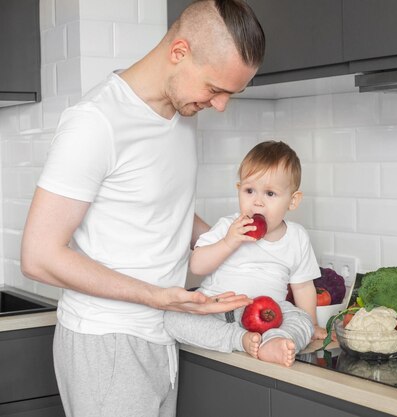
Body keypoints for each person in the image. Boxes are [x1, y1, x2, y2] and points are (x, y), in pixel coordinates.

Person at [19, 1, 265, 416]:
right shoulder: (95, 122)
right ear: (179, 52)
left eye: (230, 94)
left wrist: (229, 241)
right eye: (215, 89)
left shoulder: (184, 113)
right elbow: (38, 257)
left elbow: (159, 209)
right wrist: (156, 297)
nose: (220, 105)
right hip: (107, 342)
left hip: (161, 331)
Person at [164, 140, 325, 367]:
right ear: (239, 190)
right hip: (219, 307)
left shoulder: (297, 237)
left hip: (271, 313)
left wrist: (313, 324)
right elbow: (197, 266)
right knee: (173, 318)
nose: (257, 202)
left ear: (293, 200)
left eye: (270, 193)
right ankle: (240, 339)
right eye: (250, 191)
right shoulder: (228, 226)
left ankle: (275, 342)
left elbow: (302, 286)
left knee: (300, 320)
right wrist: (229, 242)